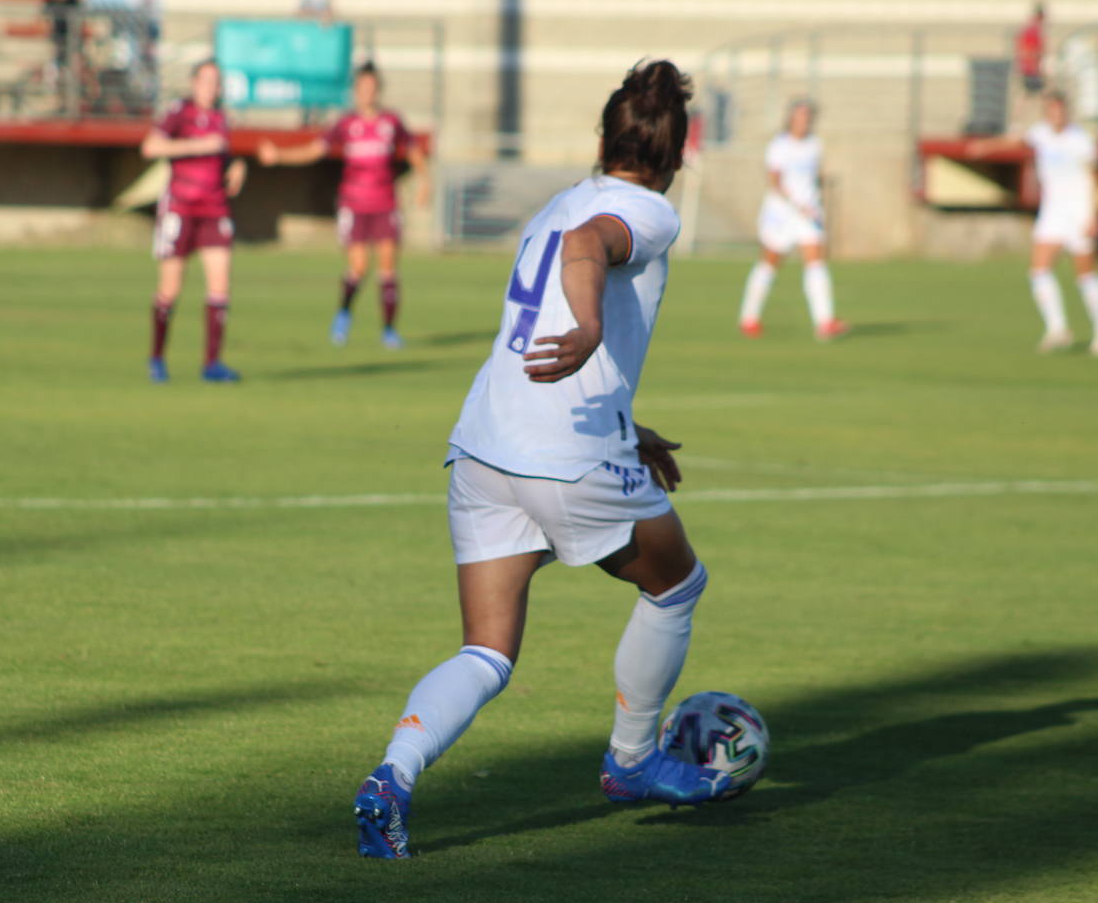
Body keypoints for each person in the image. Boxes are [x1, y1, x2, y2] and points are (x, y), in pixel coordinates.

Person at [351, 60, 731, 861]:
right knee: (677, 585)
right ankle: (631, 763)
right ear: (677, 158)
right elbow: (593, 254)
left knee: (486, 650)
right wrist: (591, 329)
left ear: (602, 138)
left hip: (486, 443)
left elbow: (559, 285)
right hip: (566, 457)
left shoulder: (565, 200)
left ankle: (391, 779)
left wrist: (628, 422)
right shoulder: (646, 213)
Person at [257, 62, 430, 349]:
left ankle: (388, 330)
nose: (366, 93)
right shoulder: (346, 123)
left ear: (378, 90)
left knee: (387, 269)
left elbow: (413, 151)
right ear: (355, 91)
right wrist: (279, 156)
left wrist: (425, 181)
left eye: (371, 88)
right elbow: (314, 150)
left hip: (385, 203)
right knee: (358, 267)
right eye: (362, 88)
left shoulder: (391, 121)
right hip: (354, 203)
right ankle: (344, 313)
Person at [141, 58, 247, 382]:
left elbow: (222, 155)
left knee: (220, 286)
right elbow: (150, 147)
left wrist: (237, 166)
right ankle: (157, 358)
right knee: (170, 288)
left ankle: (212, 363)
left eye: (216, 82)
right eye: (205, 80)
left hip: (214, 208)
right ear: (193, 82)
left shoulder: (221, 118)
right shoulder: (179, 113)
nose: (211, 87)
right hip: (180, 208)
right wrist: (199, 145)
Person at [970, 91, 1098, 353]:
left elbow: (1094, 180)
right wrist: (985, 146)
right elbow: (1014, 141)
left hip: (1079, 212)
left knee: (1085, 275)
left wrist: (1093, 216)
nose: (1056, 116)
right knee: (1039, 269)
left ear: (1067, 112)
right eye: (1051, 111)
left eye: (1060, 111)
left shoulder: (1080, 141)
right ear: (1047, 113)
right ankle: (1057, 328)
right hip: (1053, 212)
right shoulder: (1041, 133)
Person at [737, 99, 849, 341]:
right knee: (769, 263)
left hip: (808, 214)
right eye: (799, 116)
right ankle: (749, 317)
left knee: (816, 261)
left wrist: (817, 200)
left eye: (807, 117)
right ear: (791, 119)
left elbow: (814, 177)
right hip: (782, 214)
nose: (803, 121)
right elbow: (775, 181)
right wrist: (796, 204)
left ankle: (824, 321)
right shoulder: (779, 145)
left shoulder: (815, 145)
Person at [1016, 2, 1047, 97]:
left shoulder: (1033, 28)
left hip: (1030, 68)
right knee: (1030, 94)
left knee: (1030, 94)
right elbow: (1028, 50)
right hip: (1030, 69)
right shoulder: (1033, 30)